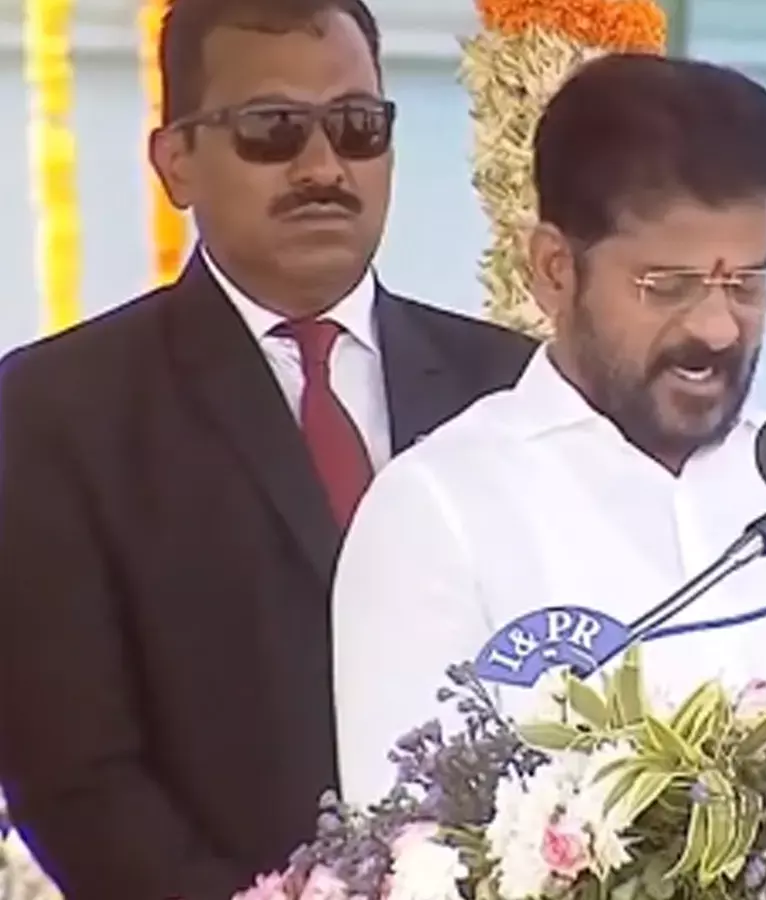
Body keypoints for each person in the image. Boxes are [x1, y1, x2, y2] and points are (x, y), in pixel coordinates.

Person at [331, 53, 766, 807]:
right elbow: (403, 838)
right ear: (554, 270)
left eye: (747, 284)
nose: (717, 328)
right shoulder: (437, 511)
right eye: (667, 287)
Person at [0, 0, 537, 896]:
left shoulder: (512, 389)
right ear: (175, 161)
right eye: (273, 129)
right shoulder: (58, 412)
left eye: (357, 127)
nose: (323, 167)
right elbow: (75, 778)